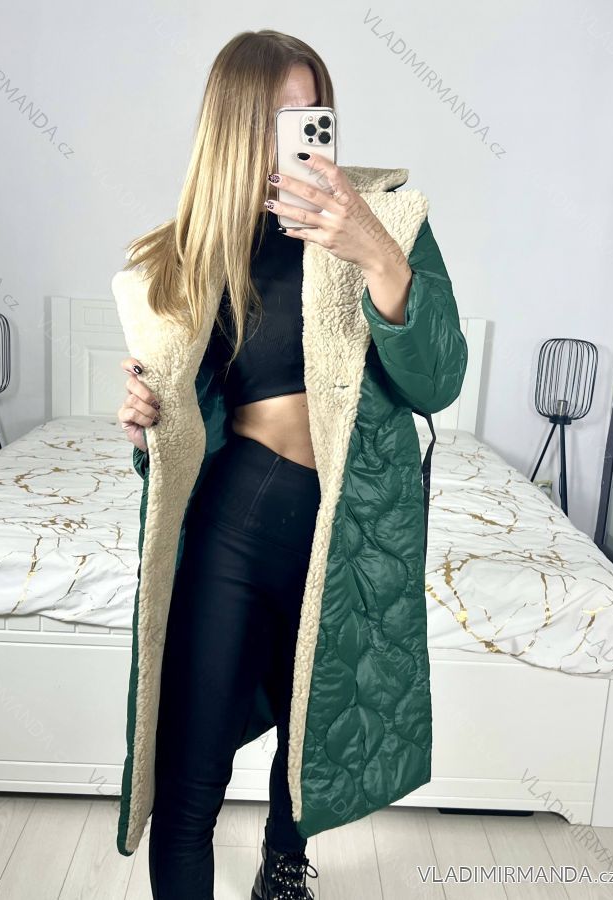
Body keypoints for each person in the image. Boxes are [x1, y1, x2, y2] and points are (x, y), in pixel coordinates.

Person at [114, 27, 467, 900]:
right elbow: (184, 431)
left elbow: (436, 382)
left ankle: (282, 866)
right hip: (239, 513)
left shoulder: (386, 221)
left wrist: (373, 249)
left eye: (313, 111)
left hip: (350, 521)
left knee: (314, 723)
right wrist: (145, 427)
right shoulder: (187, 252)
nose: (300, 130)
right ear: (234, 123)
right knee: (191, 769)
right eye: (279, 114)